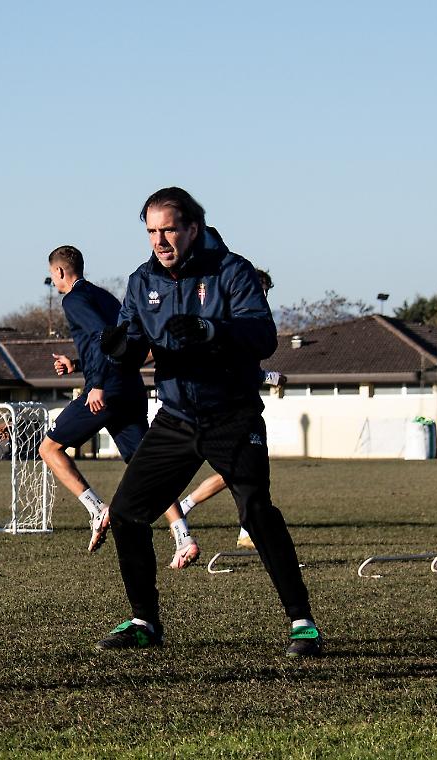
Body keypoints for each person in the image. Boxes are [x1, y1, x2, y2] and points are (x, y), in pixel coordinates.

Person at [95, 187, 320, 656]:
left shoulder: (232, 271)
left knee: (256, 513)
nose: (160, 241)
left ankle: (303, 624)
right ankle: (144, 622)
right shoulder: (141, 281)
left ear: (193, 228)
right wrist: (120, 349)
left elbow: (263, 336)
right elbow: (132, 344)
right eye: (151, 232)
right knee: (127, 514)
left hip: (232, 415)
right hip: (176, 418)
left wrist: (211, 330)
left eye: (169, 230)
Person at [40, 245, 199, 569]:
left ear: (60, 271)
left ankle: (97, 509)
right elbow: (122, 342)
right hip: (129, 387)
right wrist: (76, 364)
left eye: (52, 276)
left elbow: (105, 338)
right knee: (145, 465)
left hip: (107, 390)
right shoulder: (104, 296)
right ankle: (183, 536)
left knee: (49, 448)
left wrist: (97, 382)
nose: (54, 282)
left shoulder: (73, 299)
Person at [174, 267, 288, 552]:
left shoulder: (253, 319)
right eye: (259, 290)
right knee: (243, 472)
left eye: (265, 292)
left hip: (237, 407)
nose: (262, 296)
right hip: (219, 411)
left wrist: (264, 376)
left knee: (243, 472)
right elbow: (230, 362)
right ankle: (178, 516)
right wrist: (269, 377)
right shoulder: (229, 317)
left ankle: (241, 528)